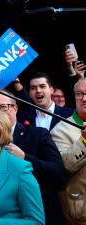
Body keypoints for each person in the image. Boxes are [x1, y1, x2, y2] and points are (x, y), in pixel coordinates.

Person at [0, 91, 68, 225]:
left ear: (15, 108)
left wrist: (25, 158)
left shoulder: (38, 134)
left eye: (3, 107)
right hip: (3, 217)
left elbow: (58, 174)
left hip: (42, 214)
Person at [50, 78, 86, 225]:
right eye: (79, 94)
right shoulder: (60, 130)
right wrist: (84, 141)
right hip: (82, 212)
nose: (84, 99)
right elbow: (64, 167)